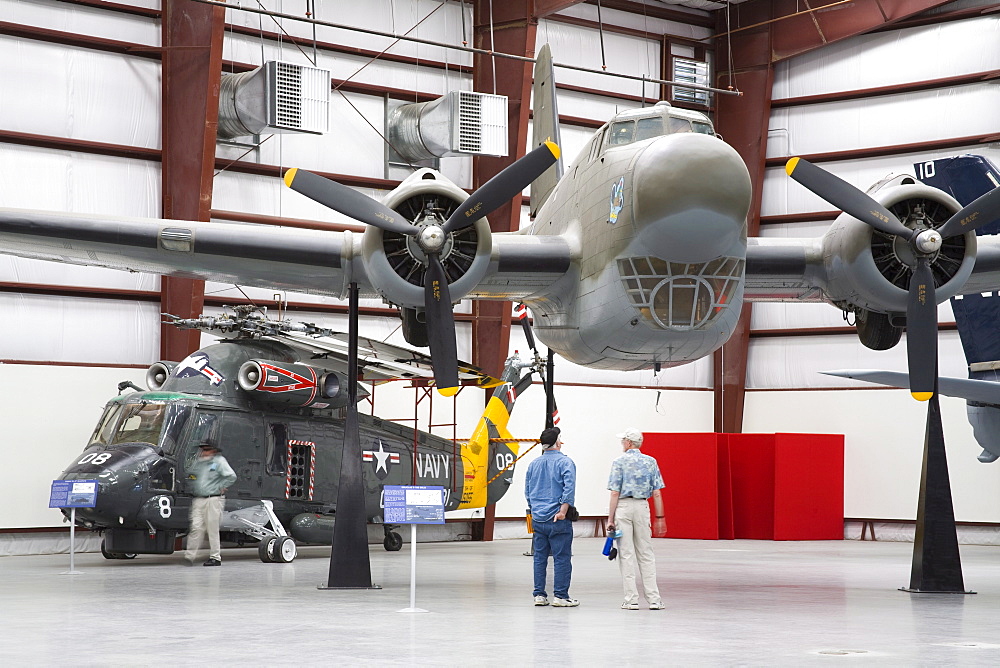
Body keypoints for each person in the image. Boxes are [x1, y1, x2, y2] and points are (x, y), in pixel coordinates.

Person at [606, 427, 667, 610]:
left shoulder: (618, 462)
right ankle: (654, 599)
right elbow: (656, 493)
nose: (621, 444)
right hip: (642, 506)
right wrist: (660, 517)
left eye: (623, 440)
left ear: (628, 442)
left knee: (626, 553)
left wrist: (610, 519)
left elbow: (615, 492)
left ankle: (631, 599)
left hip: (624, 507)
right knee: (646, 553)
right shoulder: (651, 462)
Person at [524, 426, 578, 607]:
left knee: (540, 557)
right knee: (562, 557)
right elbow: (568, 489)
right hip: (557, 519)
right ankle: (561, 596)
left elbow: (528, 491)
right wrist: (563, 511)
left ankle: (539, 595)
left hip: (538, 519)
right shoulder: (566, 463)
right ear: (557, 442)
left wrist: (534, 510)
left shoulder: (534, 464)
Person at [184, 441, 237, 566]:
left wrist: (221, 486)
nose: (203, 452)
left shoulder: (219, 461)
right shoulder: (199, 463)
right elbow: (191, 475)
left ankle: (215, 557)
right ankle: (189, 556)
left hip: (213, 499)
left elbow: (231, 476)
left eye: (206, 449)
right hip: (199, 498)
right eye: (203, 449)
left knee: (212, 529)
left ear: (213, 451)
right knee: (196, 527)